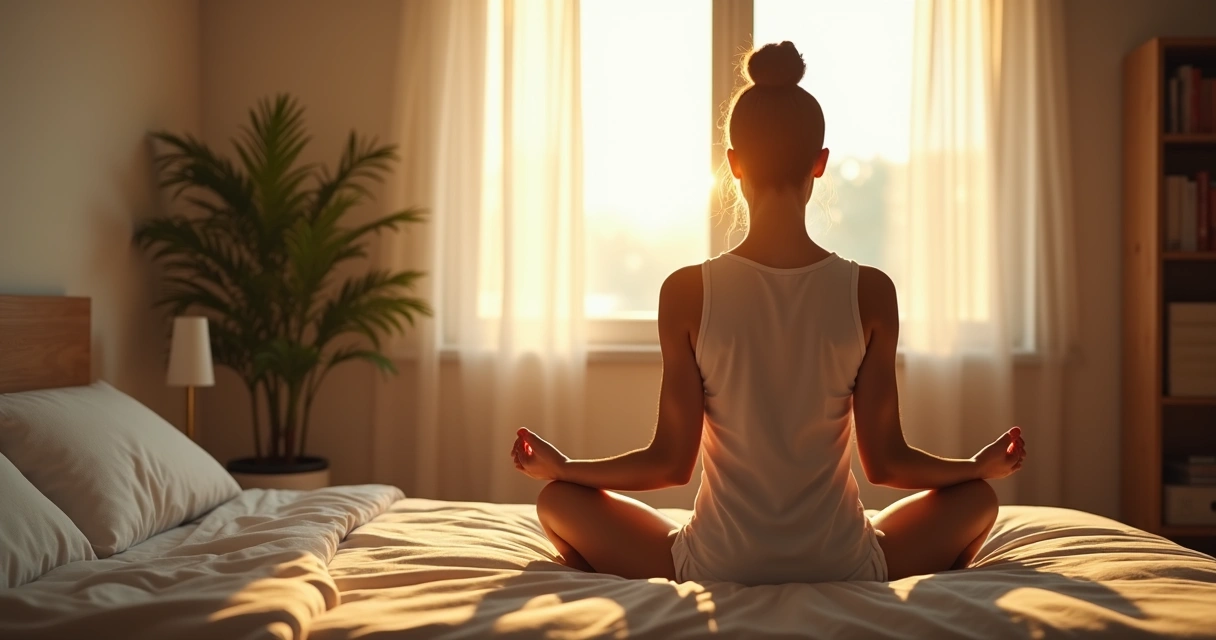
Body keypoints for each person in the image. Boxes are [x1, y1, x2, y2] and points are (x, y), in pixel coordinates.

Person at [509, 41, 1026, 585]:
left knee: (557, 500)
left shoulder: (686, 292)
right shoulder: (871, 292)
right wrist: (976, 467)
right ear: (820, 163)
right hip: (843, 561)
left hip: (717, 562)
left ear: (733, 164)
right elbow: (886, 464)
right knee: (978, 499)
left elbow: (670, 464)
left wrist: (565, 468)